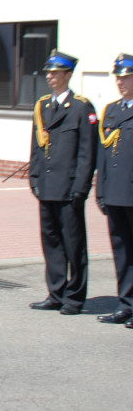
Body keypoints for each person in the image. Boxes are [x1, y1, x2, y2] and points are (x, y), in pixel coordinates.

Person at [27, 50, 96, 316]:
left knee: (74, 244)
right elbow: (36, 145)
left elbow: (87, 152)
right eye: (48, 72)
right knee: (52, 242)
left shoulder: (81, 107)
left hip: (69, 188)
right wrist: (34, 176)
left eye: (55, 72)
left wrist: (81, 187)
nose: (50, 76)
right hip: (47, 184)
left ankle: (75, 298)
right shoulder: (43, 105)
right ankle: (55, 293)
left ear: (68, 75)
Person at [95, 53, 133, 327]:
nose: (120, 82)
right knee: (121, 250)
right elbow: (104, 154)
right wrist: (101, 188)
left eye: (126, 77)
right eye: (118, 78)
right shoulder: (112, 110)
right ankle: (126, 304)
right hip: (115, 193)